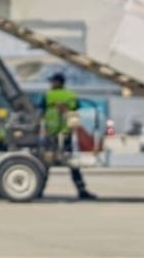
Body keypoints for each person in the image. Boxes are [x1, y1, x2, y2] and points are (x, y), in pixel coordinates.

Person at [43, 72, 97, 200]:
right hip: (66, 134)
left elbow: (41, 112)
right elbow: (75, 113)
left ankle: (38, 188)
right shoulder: (71, 95)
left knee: (46, 163)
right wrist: (71, 130)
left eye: (52, 81)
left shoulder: (48, 95)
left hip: (52, 135)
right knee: (72, 164)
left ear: (58, 82)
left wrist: (44, 130)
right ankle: (81, 190)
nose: (51, 84)